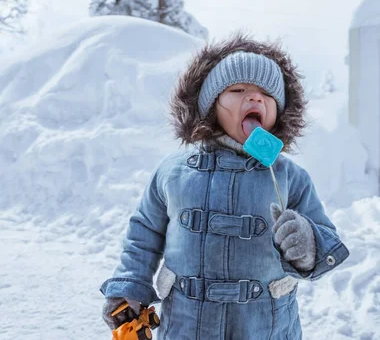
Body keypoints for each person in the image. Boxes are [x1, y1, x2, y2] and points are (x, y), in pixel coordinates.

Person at [100, 34, 350, 339]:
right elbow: (144, 233)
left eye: (267, 95)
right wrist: (130, 284)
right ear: (210, 104)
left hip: (265, 327)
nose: (255, 98)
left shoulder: (289, 176)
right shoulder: (173, 171)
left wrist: (309, 244)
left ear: (278, 112)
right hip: (186, 325)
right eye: (238, 89)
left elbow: (326, 239)